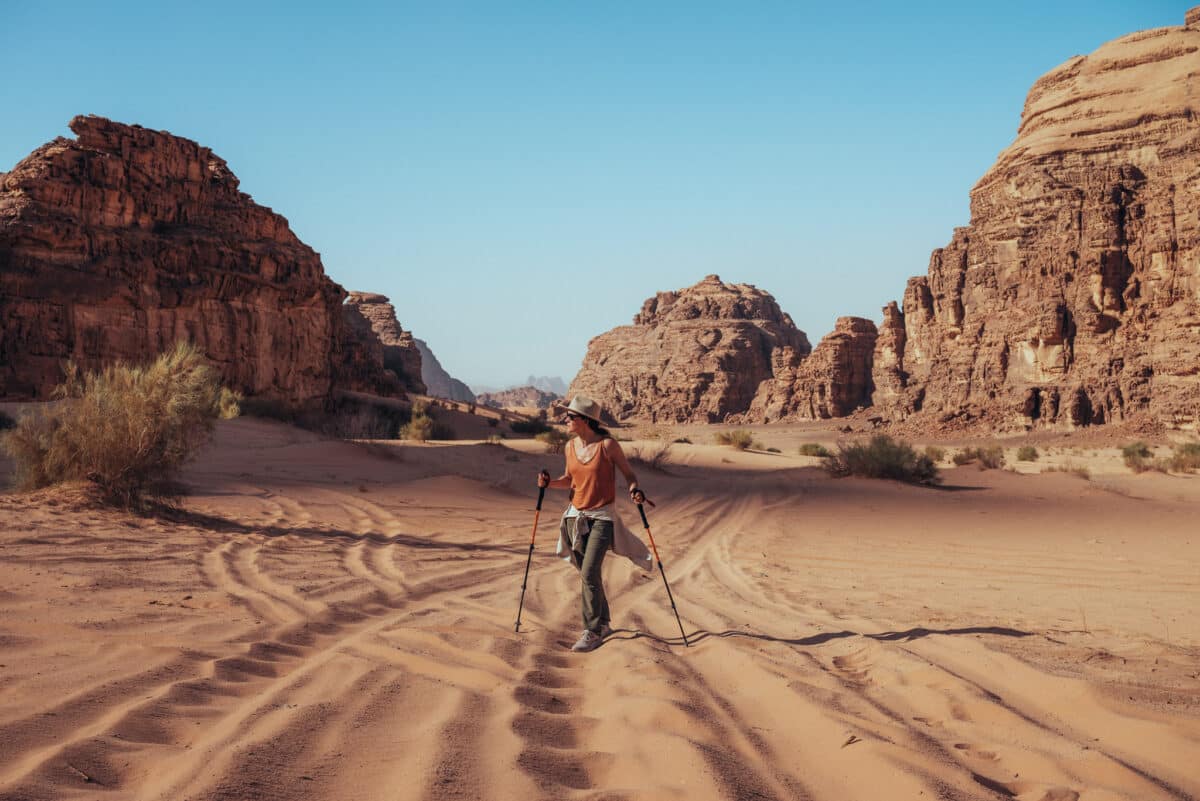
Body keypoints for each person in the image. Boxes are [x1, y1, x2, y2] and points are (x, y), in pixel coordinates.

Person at [537, 395, 652, 652]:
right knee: (587, 573)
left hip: (601, 518)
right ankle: (604, 621)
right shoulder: (569, 447)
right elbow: (569, 480)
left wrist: (635, 490)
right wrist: (549, 483)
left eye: (571, 417)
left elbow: (629, 475)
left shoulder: (608, 446)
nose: (566, 420)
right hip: (574, 518)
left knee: (589, 572)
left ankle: (591, 630)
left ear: (586, 421)